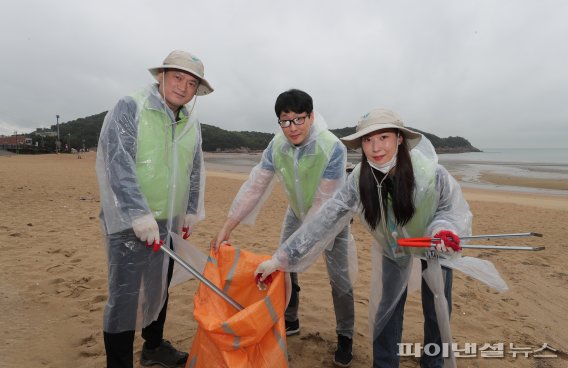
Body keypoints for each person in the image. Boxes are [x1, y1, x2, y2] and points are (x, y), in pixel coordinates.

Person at [255, 108, 507, 368]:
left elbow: (451, 210)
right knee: (387, 311)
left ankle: (434, 363)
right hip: (393, 248)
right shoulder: (358, 180)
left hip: (435, 246)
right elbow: (323, 220)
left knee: (437, 312)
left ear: (399, 138)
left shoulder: (431, 173)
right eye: (367, 140)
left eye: (383, 137)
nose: (375, 147)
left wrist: (444, 231)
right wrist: (280, 259)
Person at [211, 89, 357, 367]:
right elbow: (255, 186)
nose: (292, 128)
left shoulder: (332, 147)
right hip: (296, 211)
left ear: (311, 116)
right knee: (284, 268)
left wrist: (283, 255)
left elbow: (322, 208)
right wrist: (227, 227)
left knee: (340, 280)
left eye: (299, 119)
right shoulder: (276, 145)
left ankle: (345, 336)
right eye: (285, 121)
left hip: (331, 217)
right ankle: (291, 319)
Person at [96, 50, 213, 368]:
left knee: (159, 289)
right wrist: (137, 212)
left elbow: (194, 167)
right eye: (177, 76)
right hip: (129, 222)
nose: (183, 86)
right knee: (125, 296)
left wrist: (190, 209)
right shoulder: (131, 106)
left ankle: (153, 347)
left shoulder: (190, 122)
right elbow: (116, 161)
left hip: (169, 221)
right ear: (161, 76)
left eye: (191, 82)